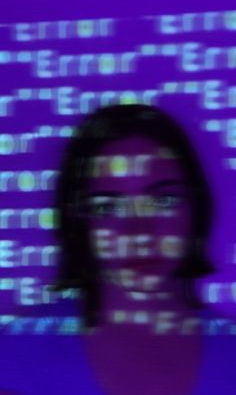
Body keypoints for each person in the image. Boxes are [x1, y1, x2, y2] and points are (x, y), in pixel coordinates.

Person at [54, 103, 217, 395]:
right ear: (78, 220)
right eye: (109, 207)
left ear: (196, 207)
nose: (139, 232)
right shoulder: (18, 350)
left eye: (163, 201)